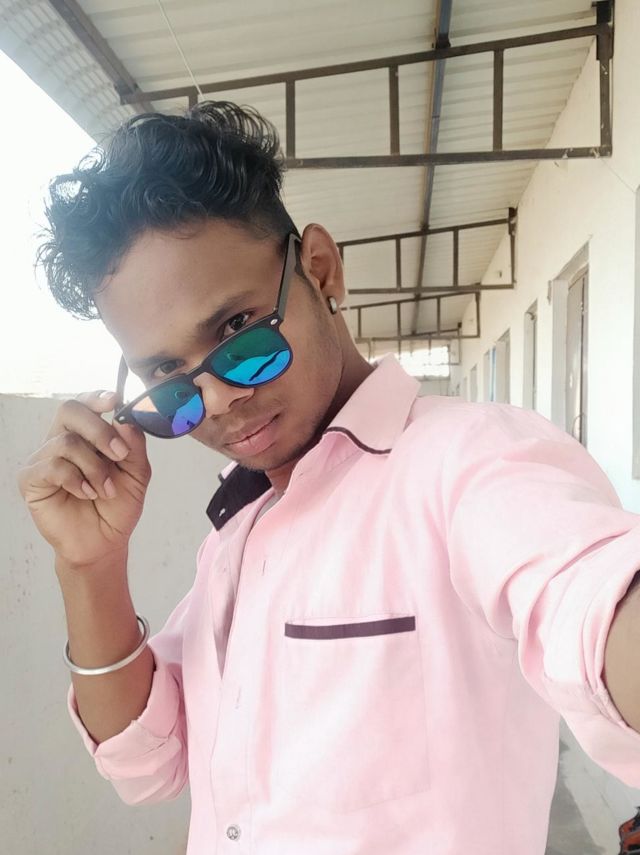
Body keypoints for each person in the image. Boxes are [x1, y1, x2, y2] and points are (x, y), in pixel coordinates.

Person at [16, 101, 640, 855]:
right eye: (169, 377)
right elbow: (147, 762)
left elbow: (582, 591)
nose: (218, 398)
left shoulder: (469, 463)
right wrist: (89, 566)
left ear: (319, 268)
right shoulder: (238, 535)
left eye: (238, 331)